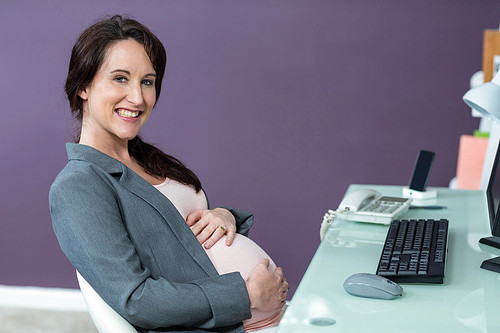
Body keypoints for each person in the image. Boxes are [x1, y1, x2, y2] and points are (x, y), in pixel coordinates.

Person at [49, 15, 288, 333]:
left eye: (147, 82)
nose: (138, 98)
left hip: (274, 316)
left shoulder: (149, 159)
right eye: (120, 78)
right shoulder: (78, 186)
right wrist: (246, 294)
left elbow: (184, 242)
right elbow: (137, 300)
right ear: (83, 87)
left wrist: (224, 216)